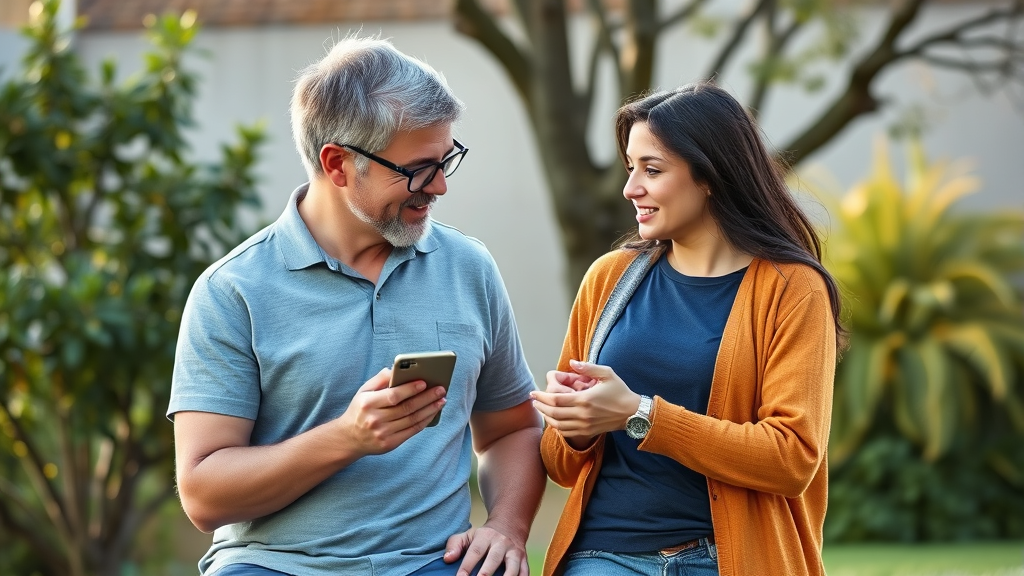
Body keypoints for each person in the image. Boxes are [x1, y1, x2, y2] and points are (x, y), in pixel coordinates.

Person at [168, 36, 545, 576]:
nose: (438, 186)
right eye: (417, 169)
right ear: (338, 163)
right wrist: (347, 439)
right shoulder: (233, 291)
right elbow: (204, 494)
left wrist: (507, 525)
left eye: (446, 161)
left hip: (434, 564)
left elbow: (511, 429)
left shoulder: (469, 268)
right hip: (275, 566)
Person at [530, 81, 845, 576]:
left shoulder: (793, 289)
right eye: (630, 168)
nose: (631, 188)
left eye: (651, 170)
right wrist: (574, 428)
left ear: (711, 177)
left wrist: (639, 414)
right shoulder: (608, 279)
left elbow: (792, 459)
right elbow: (560, 465)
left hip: (729, 559)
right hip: (604, 557)